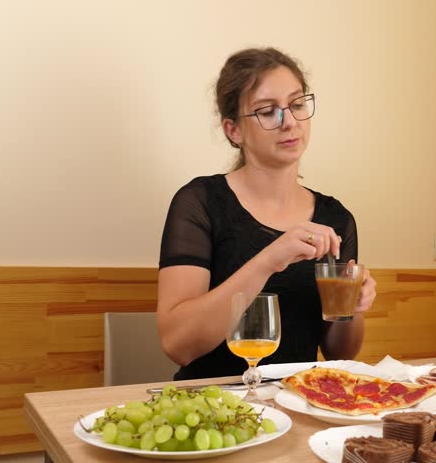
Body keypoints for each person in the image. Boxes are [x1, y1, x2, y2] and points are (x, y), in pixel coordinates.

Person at [157, 47, 377, 380]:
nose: (289, 121)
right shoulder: (200, 202)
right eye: (267, 111)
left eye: (297, 104)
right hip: (214, 408)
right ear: (234, 130)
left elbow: (340, 352)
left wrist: (353, 306)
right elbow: (178, 344)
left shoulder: (336, 218)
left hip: (300, 401)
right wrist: (269, 260)